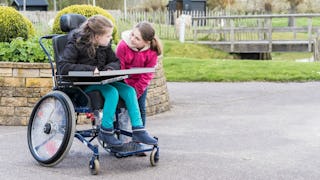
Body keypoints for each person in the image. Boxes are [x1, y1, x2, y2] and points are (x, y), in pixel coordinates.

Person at [58, 15, 158, 147]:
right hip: (82, 85)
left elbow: (115, 61)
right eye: (108, 36)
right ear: (97, 36)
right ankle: (106, 130)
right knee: (112, 92)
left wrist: (110, 69)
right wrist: (90, 70)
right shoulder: (75, 44)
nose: (111, 38)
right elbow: (63, 67)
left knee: (129, 90)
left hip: (101, 81)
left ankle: (138, 129)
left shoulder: (104, 45)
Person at [116, 21, 162, 126]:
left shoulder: (152, 52)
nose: (132, 39)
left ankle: (139, 136)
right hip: (124, 83)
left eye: (137, 38)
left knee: (140, 108)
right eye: (132, 35)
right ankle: (120, 137)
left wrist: (136, 92)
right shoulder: (122, 46)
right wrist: (127, 90)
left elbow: (147, 75)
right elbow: (119, 70)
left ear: (147, 42)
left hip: (140, 84)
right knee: (121, 109)